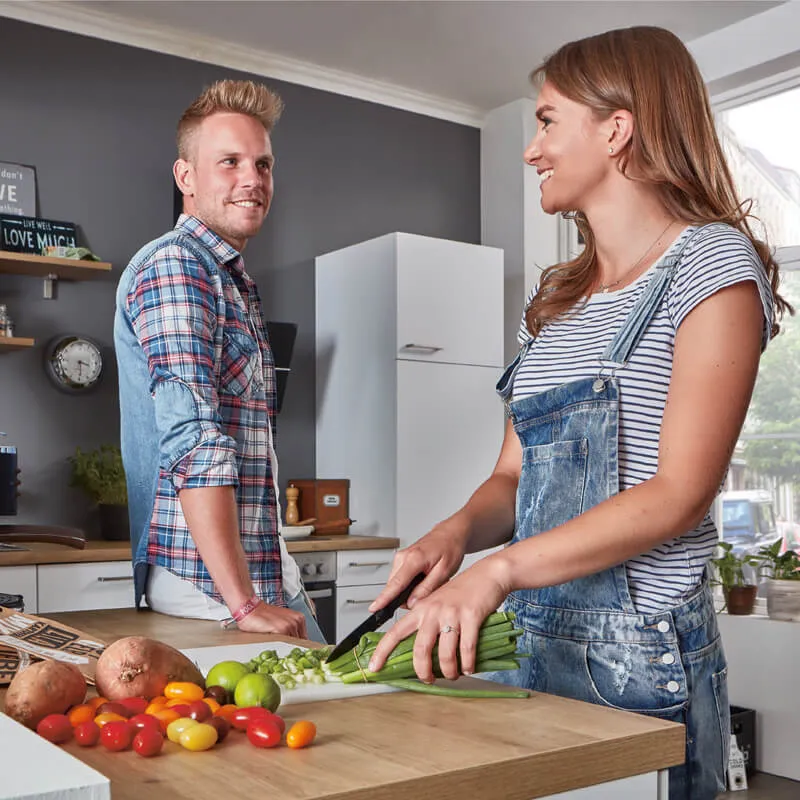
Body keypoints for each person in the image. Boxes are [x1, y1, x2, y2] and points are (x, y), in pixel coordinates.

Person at [367, 26, 790, 799]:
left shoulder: (710, 265)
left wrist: (497, 571)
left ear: (617, 127)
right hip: (527, 641)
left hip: (637, 661)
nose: (532, 150)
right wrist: (455, 537)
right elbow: (511, 473)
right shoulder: (558, 302)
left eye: (547, 120)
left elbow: (679, 493)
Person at [114, 79, 324, 642]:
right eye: (229, 162)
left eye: (263, 164)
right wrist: (243, 603)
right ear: (186, 177)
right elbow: (193, 438)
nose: (252, 179)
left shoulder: (230, 280)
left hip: (254, 573)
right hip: (213, 590)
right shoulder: (178, 267)